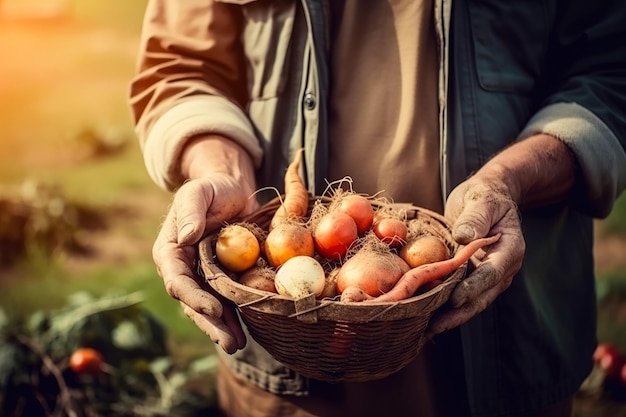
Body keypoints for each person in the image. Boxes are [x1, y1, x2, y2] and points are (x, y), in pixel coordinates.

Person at [128, 1, 626, 416]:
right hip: (284, 357)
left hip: (508, 325)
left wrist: (507, 181)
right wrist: (221, 170)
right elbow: (179, 66)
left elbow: (611, 71)